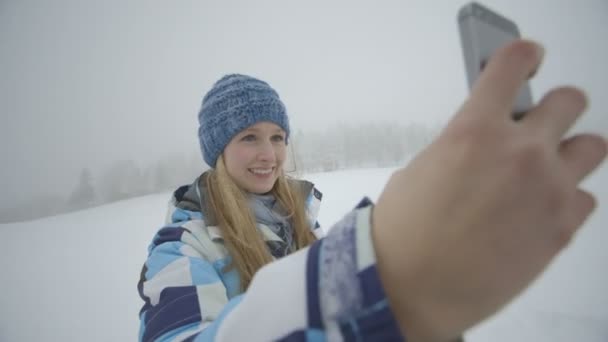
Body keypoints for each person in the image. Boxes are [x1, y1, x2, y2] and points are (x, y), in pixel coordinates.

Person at [137, 40, 607, 342]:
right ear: (218, 150)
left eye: (278, 137)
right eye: (249, 138)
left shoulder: (298, 216)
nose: (269, 154)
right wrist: (384, 281)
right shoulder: (182, 246)